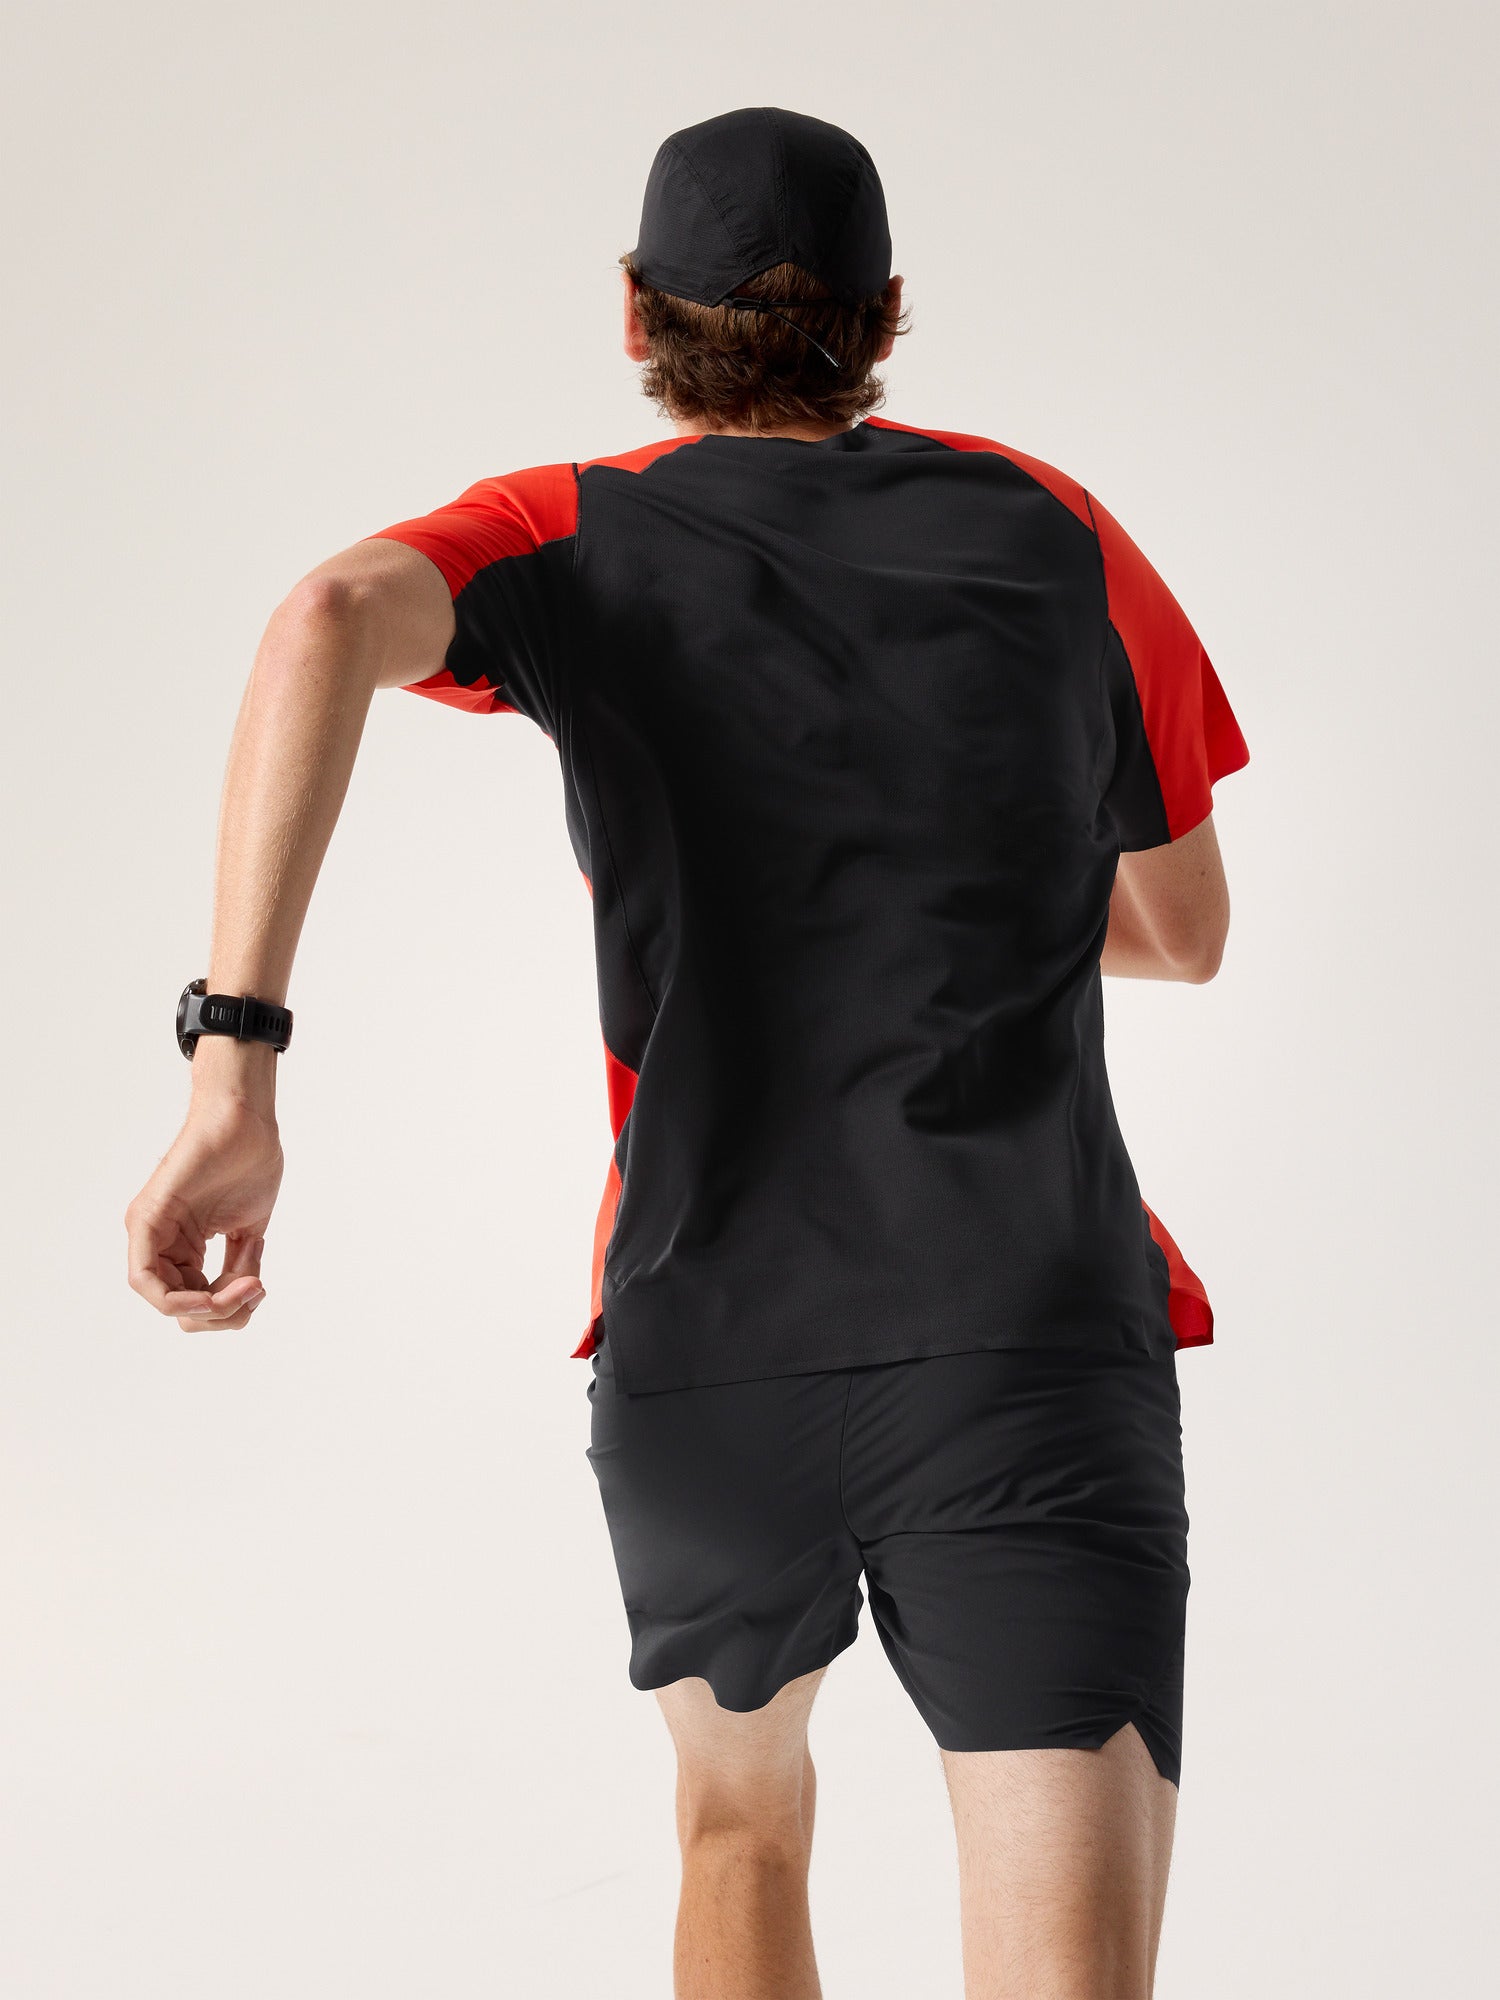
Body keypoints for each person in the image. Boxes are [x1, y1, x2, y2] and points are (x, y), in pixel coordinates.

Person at [125, 106, 1248, 2000]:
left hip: (705, 1337)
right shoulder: (1054, 528)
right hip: (1022, 1332)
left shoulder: (572, 532)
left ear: (639, 313)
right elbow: (1182, 928)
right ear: (888, 312)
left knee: (740, 1828)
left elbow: (323, 614)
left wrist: (234, 1069)